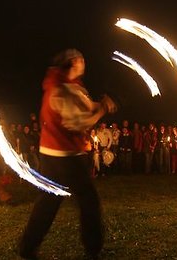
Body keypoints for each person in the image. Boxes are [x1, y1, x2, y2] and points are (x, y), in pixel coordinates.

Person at [18, 49, 117, 259]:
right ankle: (93, 249)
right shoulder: (60, 90)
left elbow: (85, 105)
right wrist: (102, 110)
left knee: (49, 203)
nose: (84, 62)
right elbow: (77, 122)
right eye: (81, 59)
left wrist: (100, 104)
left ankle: (27, 247)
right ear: (73, 62)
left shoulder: (72, 86)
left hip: (59, 154)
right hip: (64, 157)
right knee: (88, 200)